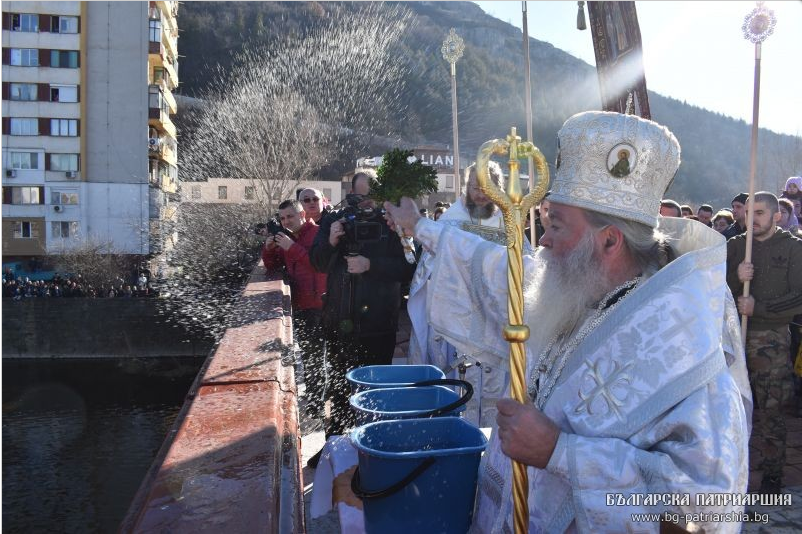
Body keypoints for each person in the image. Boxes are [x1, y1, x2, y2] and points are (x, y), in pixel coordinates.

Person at [385, 111, 751, 532]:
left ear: (609, 240)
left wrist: (560, 453)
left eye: (555, 226)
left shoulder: (687, 344)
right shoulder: (572, 290)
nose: (541, 241)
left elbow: (705, 504)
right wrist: (420, 227)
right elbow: (496, 270)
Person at [407, 161, 531, 427]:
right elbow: (429, 267)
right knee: (460, 387)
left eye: (487, 187)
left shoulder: (509, 223)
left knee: (496, 388)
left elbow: (527, 263)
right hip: (459, 320)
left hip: (499, 319)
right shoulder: (452, 220)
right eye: (475, 187)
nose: (480, 193)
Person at [308, 169, 415, 465]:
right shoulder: (335, 219)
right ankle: (336, 446)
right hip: (340, 317)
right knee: (339, 387)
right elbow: (315, 262)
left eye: (371, 196)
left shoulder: (392, 222)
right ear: (351, 193)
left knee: (374, 389)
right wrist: (330, 240)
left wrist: (371, 264)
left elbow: (411, 267)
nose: (365, 203)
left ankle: (372, 447)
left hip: (379, 322)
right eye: (359, 196)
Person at [727, 191, 802, 493]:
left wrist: (760, 308)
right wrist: (735, 276)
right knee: (730, 406)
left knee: (771, 411)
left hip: (769, 340)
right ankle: (730, 471)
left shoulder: (794, 249)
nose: (751, 218)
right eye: (747, 212)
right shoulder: (734, 247)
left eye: (759, 212)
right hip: (732, 337)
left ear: (777, 216)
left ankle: (771, 476)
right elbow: (710, 287)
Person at [262, 199, 328, 418]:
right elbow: (272, 265)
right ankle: (312, 403)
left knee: (316, 357)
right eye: (282, 218)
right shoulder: (289, 237)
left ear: (302, 214)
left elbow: (319, 264)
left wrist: (293, 248)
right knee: (307, 357)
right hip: (299, 304)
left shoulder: (318, 233)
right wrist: (269, 249)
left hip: (319, 305)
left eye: (290, 216)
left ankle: (318, 406)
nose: (286, 221)